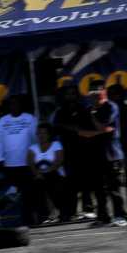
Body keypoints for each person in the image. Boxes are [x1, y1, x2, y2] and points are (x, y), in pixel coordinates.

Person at [81, 79, 126, 226]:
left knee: (115, 188)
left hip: (112, 154)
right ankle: (103, 217)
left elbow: (102, 126)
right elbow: (82, 132)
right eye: (92, 91)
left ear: (104, 92)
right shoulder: (87, 109)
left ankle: (121, 216)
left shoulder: (111, 107)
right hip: (95, 154)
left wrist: (94, 114)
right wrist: (98, 131)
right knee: (99, 189)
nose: (96, 94)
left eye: (98, 91)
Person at [52, 86, 93, 220]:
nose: (69, 96)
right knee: (71, 183)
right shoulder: (60, 112)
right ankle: (72, 212)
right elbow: (56, 130)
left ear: (77, 95)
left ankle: (89, 209)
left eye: (72, 94)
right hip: (68, 152)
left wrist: (65, 127)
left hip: (84, 150)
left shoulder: (83, 109)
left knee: (87, 181)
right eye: (67, 94)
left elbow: (80, 129)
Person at [27, 123, 67, 226]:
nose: (41, 135)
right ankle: (43, 216)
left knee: (56, 190)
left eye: (44, 133)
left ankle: (63, 213)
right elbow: (30, 162)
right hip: (39, 176)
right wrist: (37, 173)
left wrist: (48, 171)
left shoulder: (56, 145)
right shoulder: (33, 148)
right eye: (39, 133)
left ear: (49, 134)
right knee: (34, 192)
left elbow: (59, 160)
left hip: (55, 174)